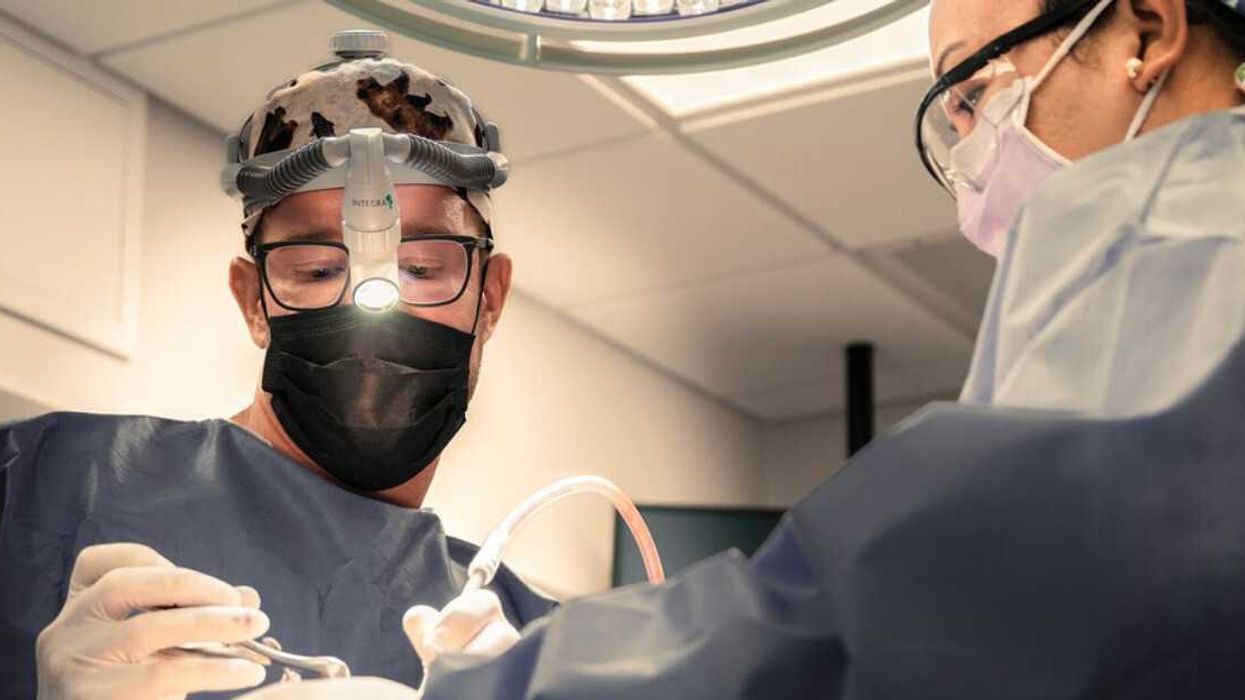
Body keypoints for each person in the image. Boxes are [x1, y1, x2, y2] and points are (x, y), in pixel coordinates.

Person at [375, 0, 1245, 696]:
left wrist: (521, 680)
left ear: (1147, 29)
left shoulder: (1188, 224)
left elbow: (926, 598)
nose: (977, 156)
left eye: (975, 92)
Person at [0, 34, 551, 699]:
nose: (371, 303)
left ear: (488, 298)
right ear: (253, 300)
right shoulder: (42, 488)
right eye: (318, 270)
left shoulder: (518, 637)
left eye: (422, 268)